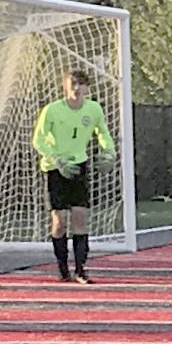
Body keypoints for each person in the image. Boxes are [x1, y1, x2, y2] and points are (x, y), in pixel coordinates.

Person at [31, 68, 115, 283]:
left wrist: (109, 151)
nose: (77, 89)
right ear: (65, 87)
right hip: (55, 169)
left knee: (80, 216)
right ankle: (62, 268)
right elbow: (38, 140)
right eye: (73, 85)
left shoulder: (94, 109)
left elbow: (102, 132)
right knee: (59, 221)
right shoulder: (52, 110)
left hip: (79, 166)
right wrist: (57, 159)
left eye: (81, 85)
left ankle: (80, 269)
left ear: (87, 88)